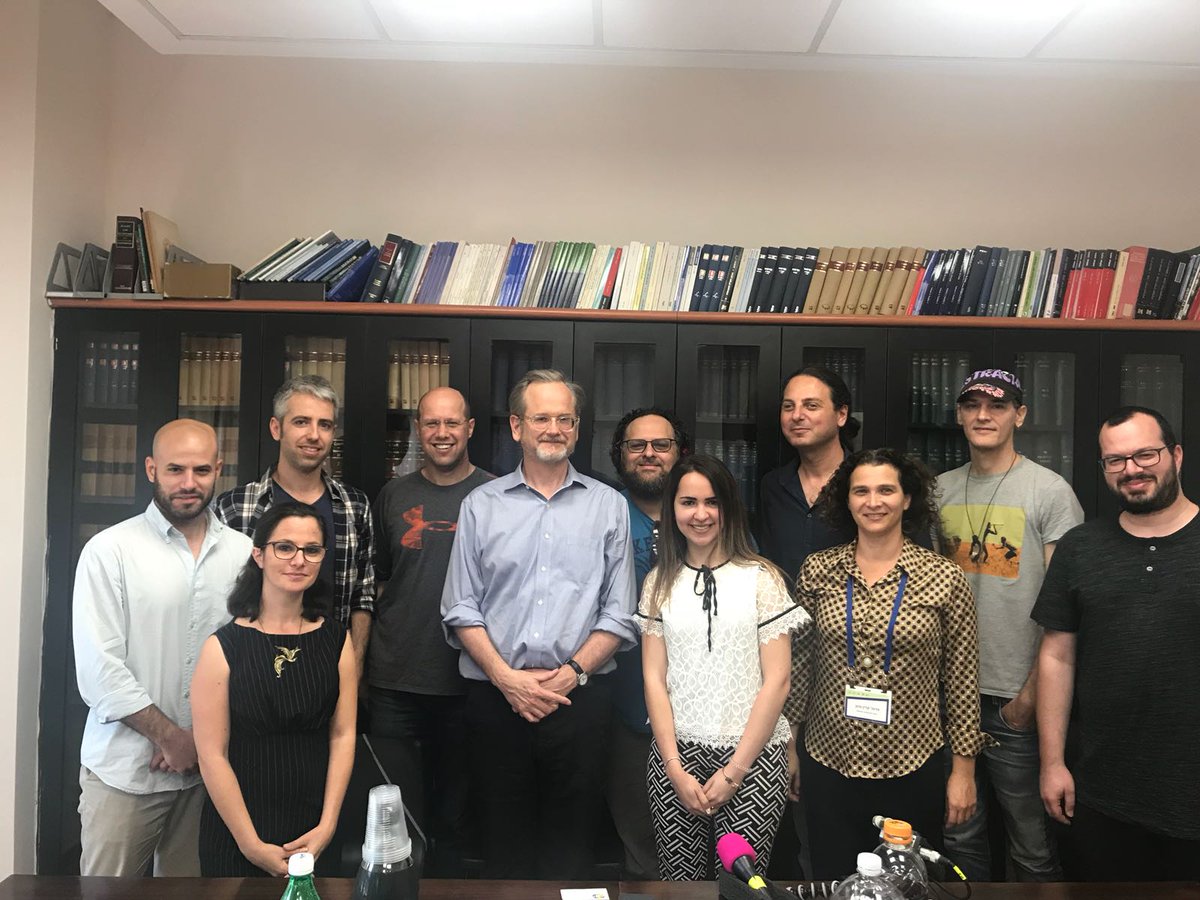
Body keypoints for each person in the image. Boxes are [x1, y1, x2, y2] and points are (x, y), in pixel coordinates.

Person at [441, 369, 637, 879]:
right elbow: (461, 606)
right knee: (502, 845)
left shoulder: (608, 506)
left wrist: (570, 675)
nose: (554, 429)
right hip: (496, 701)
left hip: (580, 702)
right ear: (516, 427)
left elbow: (619, 612)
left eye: (565, 419)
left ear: (577, 428)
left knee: (573, 849)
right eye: (541, 418)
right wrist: (508, 680)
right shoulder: (481, 505)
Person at [793, 448, 988, 880]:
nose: (873, 502)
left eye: (886, 490)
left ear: (907, 498)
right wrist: (790, 744)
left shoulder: (943, 577)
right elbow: (800, 666)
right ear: (846, 500)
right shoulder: (818, 571)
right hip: (829, 759)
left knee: (908, 884)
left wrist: (963, 770)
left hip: (911, 763)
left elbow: (962, 678)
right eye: (861, 491)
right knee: (834, 880)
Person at [72, 419, 251, 875]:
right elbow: (99, 671)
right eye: (175, 469)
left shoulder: (244, 554)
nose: (189, 483)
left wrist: (200, 746)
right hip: (125, 775)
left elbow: (247, 660)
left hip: (209, 777)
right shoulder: (109, 551)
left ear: (218, 469)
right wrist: (171, 739)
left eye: (201, 470)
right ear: (151, 469)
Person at [1033, 407, 1200, 881]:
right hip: (1101, 792)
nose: (1131, 469)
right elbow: (1056, 656)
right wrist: (1052, 763)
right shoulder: (1079, 547)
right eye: (1116, 460)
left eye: (1145, 454)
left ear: (1176, 455)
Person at [937, 369, 1082, 882]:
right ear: (959, 415)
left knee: (1031, 844)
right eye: (972, 405)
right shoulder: (938, 491)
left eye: (997, 406)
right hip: (947, 699)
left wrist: (1029, 698)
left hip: (1014, 700)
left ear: (1019, 415)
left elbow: (1068, 608)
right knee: (958, 839)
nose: (983, 415)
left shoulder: (1049, 491)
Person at [638, 455, 807, 879]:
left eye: (712, 502)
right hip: (676, 758)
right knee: (681, 884)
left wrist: (734, 773)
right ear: (672, 509)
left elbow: (778, 680)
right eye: (688, 502)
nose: (701, 514)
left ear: (729, 507)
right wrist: (674, 769)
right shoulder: (658, 582)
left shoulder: (762, 578)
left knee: (740, 887)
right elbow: (654, 679)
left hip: (753, 760)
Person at [192, 502, 357, 877]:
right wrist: (250, 844)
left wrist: (328, 824)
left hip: (316, 830)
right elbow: (212, 755)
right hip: (238, 832)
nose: (298, 560)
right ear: (259, 555)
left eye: (311, 550)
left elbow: (343, 735)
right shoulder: (222, 646)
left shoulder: (336, 640)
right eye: (284, 547)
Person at [369, 387, 493, 876]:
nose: (442, 433)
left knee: (459, 815)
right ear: (418, 430)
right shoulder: (393, 495)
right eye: (432, 423)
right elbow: (379, 582)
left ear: (470, 428)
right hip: (395, 680)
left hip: (470, 681)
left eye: (452, 423)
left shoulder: (495, 496)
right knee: (396, 814)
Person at [216, 374, 375, 675]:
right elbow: (220, 596)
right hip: (250, 672)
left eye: (324, 425)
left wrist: (352, 672)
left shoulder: (355, 507)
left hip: (331, 671)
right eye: (301, 422)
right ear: (276, 428)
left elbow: (362, 597)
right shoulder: (234, 507)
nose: (314, 435)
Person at [606, 406, 692, 880]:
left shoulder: (705, 509)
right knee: (641, 847)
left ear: (680, 453)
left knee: (701, 842)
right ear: (620, 455)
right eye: (636, 445)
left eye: (661, 445)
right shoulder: (603, 510)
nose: (649, 454)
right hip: (627, 708)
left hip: (705, 710)